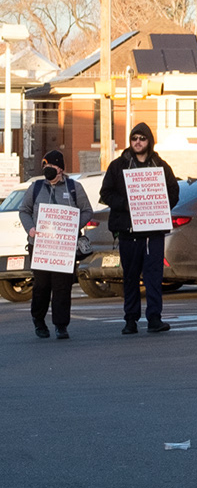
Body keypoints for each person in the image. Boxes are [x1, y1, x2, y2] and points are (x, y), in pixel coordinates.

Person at [100, 122, 181, 334]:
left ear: (149, 141)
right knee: (131, 277)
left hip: (153, 232)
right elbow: (105, 193)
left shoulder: (160, 166)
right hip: (128, 232)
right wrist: (126, 204)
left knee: (154, 276)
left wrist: (160, 207)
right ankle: (130, 319)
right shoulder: (118, 166)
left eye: (142, 139)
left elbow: (174, 192)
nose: (138, 142)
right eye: (134, 138)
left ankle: (154, 318)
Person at [20, 149, 95, 340]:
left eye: (51, 166)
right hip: (40, 246)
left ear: (60, 169)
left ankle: (61, 325)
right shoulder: (35, 188)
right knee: (41, 286)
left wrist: (72, 227)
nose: (48, 169)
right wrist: (30, 229)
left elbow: (87, 211)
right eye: (45, 166)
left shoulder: (73, 188)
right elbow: (24, 211)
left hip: (64, 247)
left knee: (62, 287)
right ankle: (39, 321)